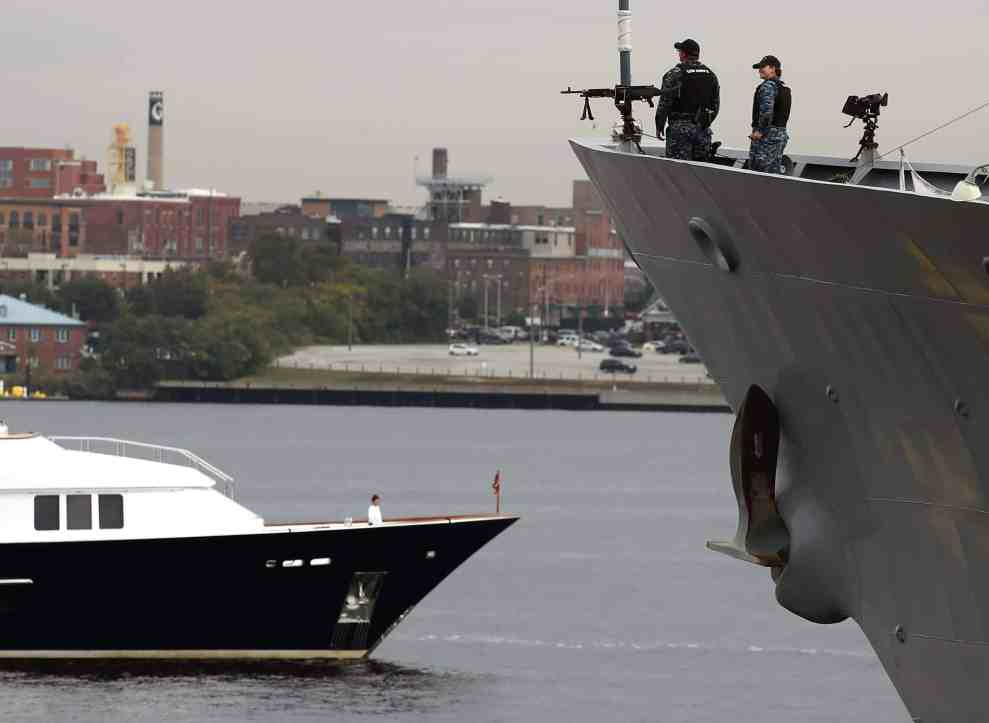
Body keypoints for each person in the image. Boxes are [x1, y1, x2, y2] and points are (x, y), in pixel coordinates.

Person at [654, 38, 720, 162]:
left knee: (679, 173)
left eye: (680, 51)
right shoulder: (711, 75)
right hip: (703, 131)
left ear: (683, 54)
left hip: (680, 132)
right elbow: (715, 105)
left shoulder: (675, 74)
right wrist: (704, 123)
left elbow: (665, 102)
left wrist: (659, 125)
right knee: (700, 174)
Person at [748, 55, 791, 174]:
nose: (759, 70)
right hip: (779, 136)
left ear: (773, 68)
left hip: (766, 137)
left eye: (763, 67)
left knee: (758, 174)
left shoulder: (768, 86)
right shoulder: (783, 88)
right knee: (773, 174)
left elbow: (767, 112)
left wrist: (760, 131)